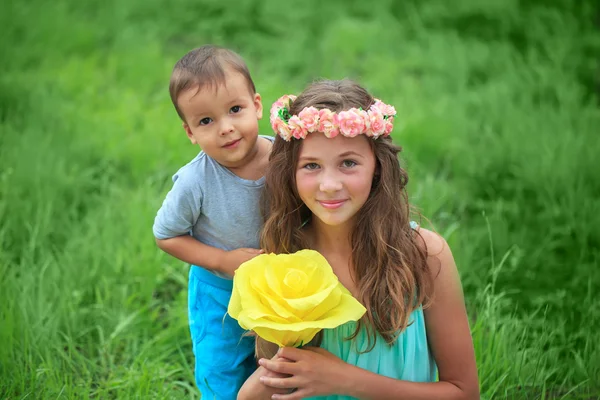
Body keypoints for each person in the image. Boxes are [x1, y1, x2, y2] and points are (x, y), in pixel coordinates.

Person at [238, 79, 479, 399]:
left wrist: (345, 379)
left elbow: (464, 392)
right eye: (311, 165)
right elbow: (265, 388)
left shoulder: (424, 254)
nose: (329, 185)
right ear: (291, 174)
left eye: (348, 163)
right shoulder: (285, 263)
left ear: (377, 167)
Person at [152, 45, 273, 399]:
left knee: (277, 366)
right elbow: (166, 235)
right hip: (220, 292)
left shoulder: (284, 155)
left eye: (235, 110)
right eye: (206, 121)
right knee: (222, 368)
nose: (226, 128)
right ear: (190, 132)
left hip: (277, 286)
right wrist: (222, 261)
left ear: (257, 105)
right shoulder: (195, 182)